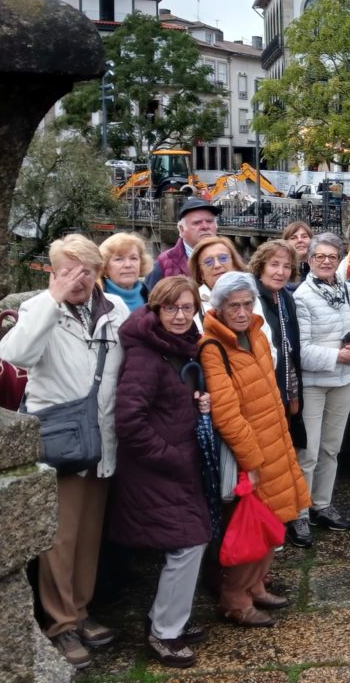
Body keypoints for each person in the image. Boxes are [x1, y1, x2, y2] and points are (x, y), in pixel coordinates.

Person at [0, 235, 129, 670]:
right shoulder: (40, 309)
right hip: (62, 440)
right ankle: (60, 624)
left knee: (90, 534)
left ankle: (81, 609)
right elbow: (14, 354)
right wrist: (53, 299)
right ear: (53, 272)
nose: (80, 279)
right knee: (60, 537)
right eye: (69, 271)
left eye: (87, 270)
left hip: (102, 437)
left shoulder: (114, 311)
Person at [111, 276, 211, 668]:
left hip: (175, 464)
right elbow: (129, 422)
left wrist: (197, 404)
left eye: (187, 308)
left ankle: (169, 619)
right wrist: (173, 457)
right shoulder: (145, 355)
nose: (180, 315)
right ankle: (164, 633)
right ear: (155, 309)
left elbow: (168, 403)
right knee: (188, 543)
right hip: (155, 469)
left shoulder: (178, 346)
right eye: (171, 308)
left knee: (193, 539)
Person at [199, 272, 310, 625]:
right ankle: (235, 598)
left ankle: (256, 586)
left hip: (275, 441)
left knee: (272, 521)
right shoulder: (213, 349)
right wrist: (252, 460)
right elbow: (227, 414)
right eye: (234, 306)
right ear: (219, 308)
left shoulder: (258, 336)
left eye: (248, 304)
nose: (243, 311)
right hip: (253, 452)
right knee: (250, 527)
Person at [292, 232, 350, 536]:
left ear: (339, 260)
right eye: (319, 256)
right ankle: (299, 511)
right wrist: (338, 355)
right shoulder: (301, 297)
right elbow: (303, 349)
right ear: (310, 261)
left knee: (331, 447)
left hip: (345, 379)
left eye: (332, 257)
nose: (326, 261)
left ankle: (321, 504)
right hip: (314, 381)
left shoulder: (349, 290)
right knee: (308, 452)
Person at [249, 240, 306, 533]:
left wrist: (294, 391)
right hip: (265, 390)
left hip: (287, 384)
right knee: (267, 460)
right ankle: (265, 522)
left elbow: (291, 347)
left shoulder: (285, 297)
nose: (281, 271)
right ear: (260, 266)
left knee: (287, 454)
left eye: (286, 266)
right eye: (274, 264)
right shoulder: (253, 298)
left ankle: (286, 515)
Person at [144, 197, 220, 287]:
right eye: (197, 223)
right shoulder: (163, 264)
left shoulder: (229, 260)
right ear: (182, 229)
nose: (205, 226)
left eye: (209, 221)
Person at [188, 236, 248, 311]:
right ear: (201, 274)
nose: (217, 265)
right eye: (208, 262)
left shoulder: (251, 297)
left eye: (223, 258)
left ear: (234, 265)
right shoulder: (192, 304)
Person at [99, 232, 154, 312]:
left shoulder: (150, 295)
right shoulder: (96, 298)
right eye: (119, 259)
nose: (128, 265)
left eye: (133, 258)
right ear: (106, 265)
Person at [282, 221, 313, 291]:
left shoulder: (321, 268)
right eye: (293, 238)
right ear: (286, 243)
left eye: (304, 237)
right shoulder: (281, 270)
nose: (300, 240)